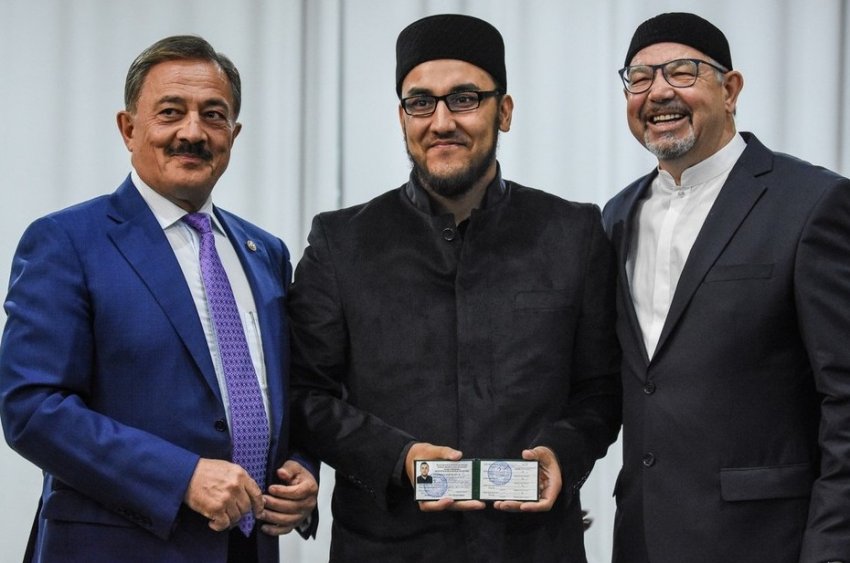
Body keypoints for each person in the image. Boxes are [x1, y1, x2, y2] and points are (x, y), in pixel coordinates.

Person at [288, 13, 621, 563]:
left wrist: (564, 453)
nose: (441, 122)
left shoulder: (572, 233)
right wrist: (400, 458)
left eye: (464, 99)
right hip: (386, 548)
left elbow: (602, 389)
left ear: (504, 111)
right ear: (402, 117)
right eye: (421, 102)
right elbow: (306, 393)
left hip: (534, 548)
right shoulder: (341, 241)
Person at [0, 35, 318, 563]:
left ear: (233, 134)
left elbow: (286, 391)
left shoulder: (266, 253)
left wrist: (302, 467)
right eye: (171, 112)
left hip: (250, 547)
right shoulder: (66, 241)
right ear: (129, 128)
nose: (192, 132)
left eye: (213, 115)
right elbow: (32, 409)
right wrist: (181, 476)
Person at [603, 12, 850, 563]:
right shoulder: (616, 217)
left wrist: (833, 547)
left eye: (682, 72)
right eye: (639, 78)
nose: (657, 92)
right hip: (642, 539)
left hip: (767, 542)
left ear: (731, 89)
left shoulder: (812, 203)